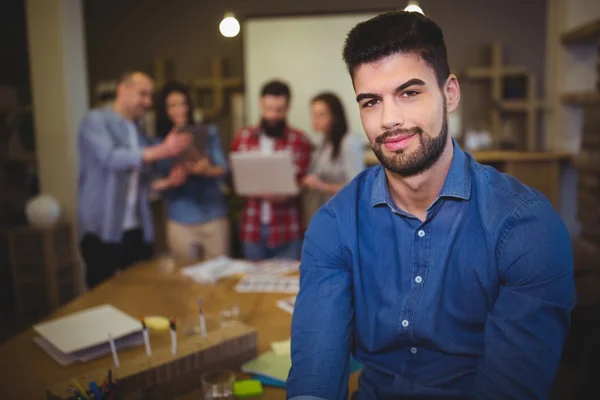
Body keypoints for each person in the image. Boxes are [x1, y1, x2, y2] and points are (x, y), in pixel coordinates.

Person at [287, 11, 575, 400]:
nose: (389, 120)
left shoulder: (525, 227)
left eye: (409, 93)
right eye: (371, 101)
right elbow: (315, 378)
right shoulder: (334, 224)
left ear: (450, 93)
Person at [78, 71, 191, 289]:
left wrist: (167, 182)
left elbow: (141, 180)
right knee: (103, 295)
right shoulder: (95, 121)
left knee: (137, 291)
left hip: (136, 228)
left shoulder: (138, 130)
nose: (148, 102)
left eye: (150, 96)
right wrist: (163, 150)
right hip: (102, 228)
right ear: (123, 90)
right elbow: (111, 158)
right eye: (143, 94)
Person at [231, 80, 312, 261]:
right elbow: (234, 177)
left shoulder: (300, 141)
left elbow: (305, 183)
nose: (273, 115)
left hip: (288, 228)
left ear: (288, 107)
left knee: (289, 283)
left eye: (279, 109)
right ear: (260, 104)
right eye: (268, 109)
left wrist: (289, 193)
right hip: (253, 227)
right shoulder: (243, 138)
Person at [153, 81, 230, 261]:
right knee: (185, 280)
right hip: (180, 218)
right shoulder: (158, 143)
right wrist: (169, 180)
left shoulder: (208, 133)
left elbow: (223, 169)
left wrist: (207, 169)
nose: (181, 109)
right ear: (164, 110)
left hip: (213, 216)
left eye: (184, 103)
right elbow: (152, 182)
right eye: (173, 105)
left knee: (219, 276)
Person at [302, 92, 365, 208]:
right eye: (313, 114)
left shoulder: (348, 142)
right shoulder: (321, 141)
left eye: (321, 115)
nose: (315, 120)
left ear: (334, 117)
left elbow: (357, 186)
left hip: (345, 207)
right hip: (326, 207)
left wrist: (322, 186)